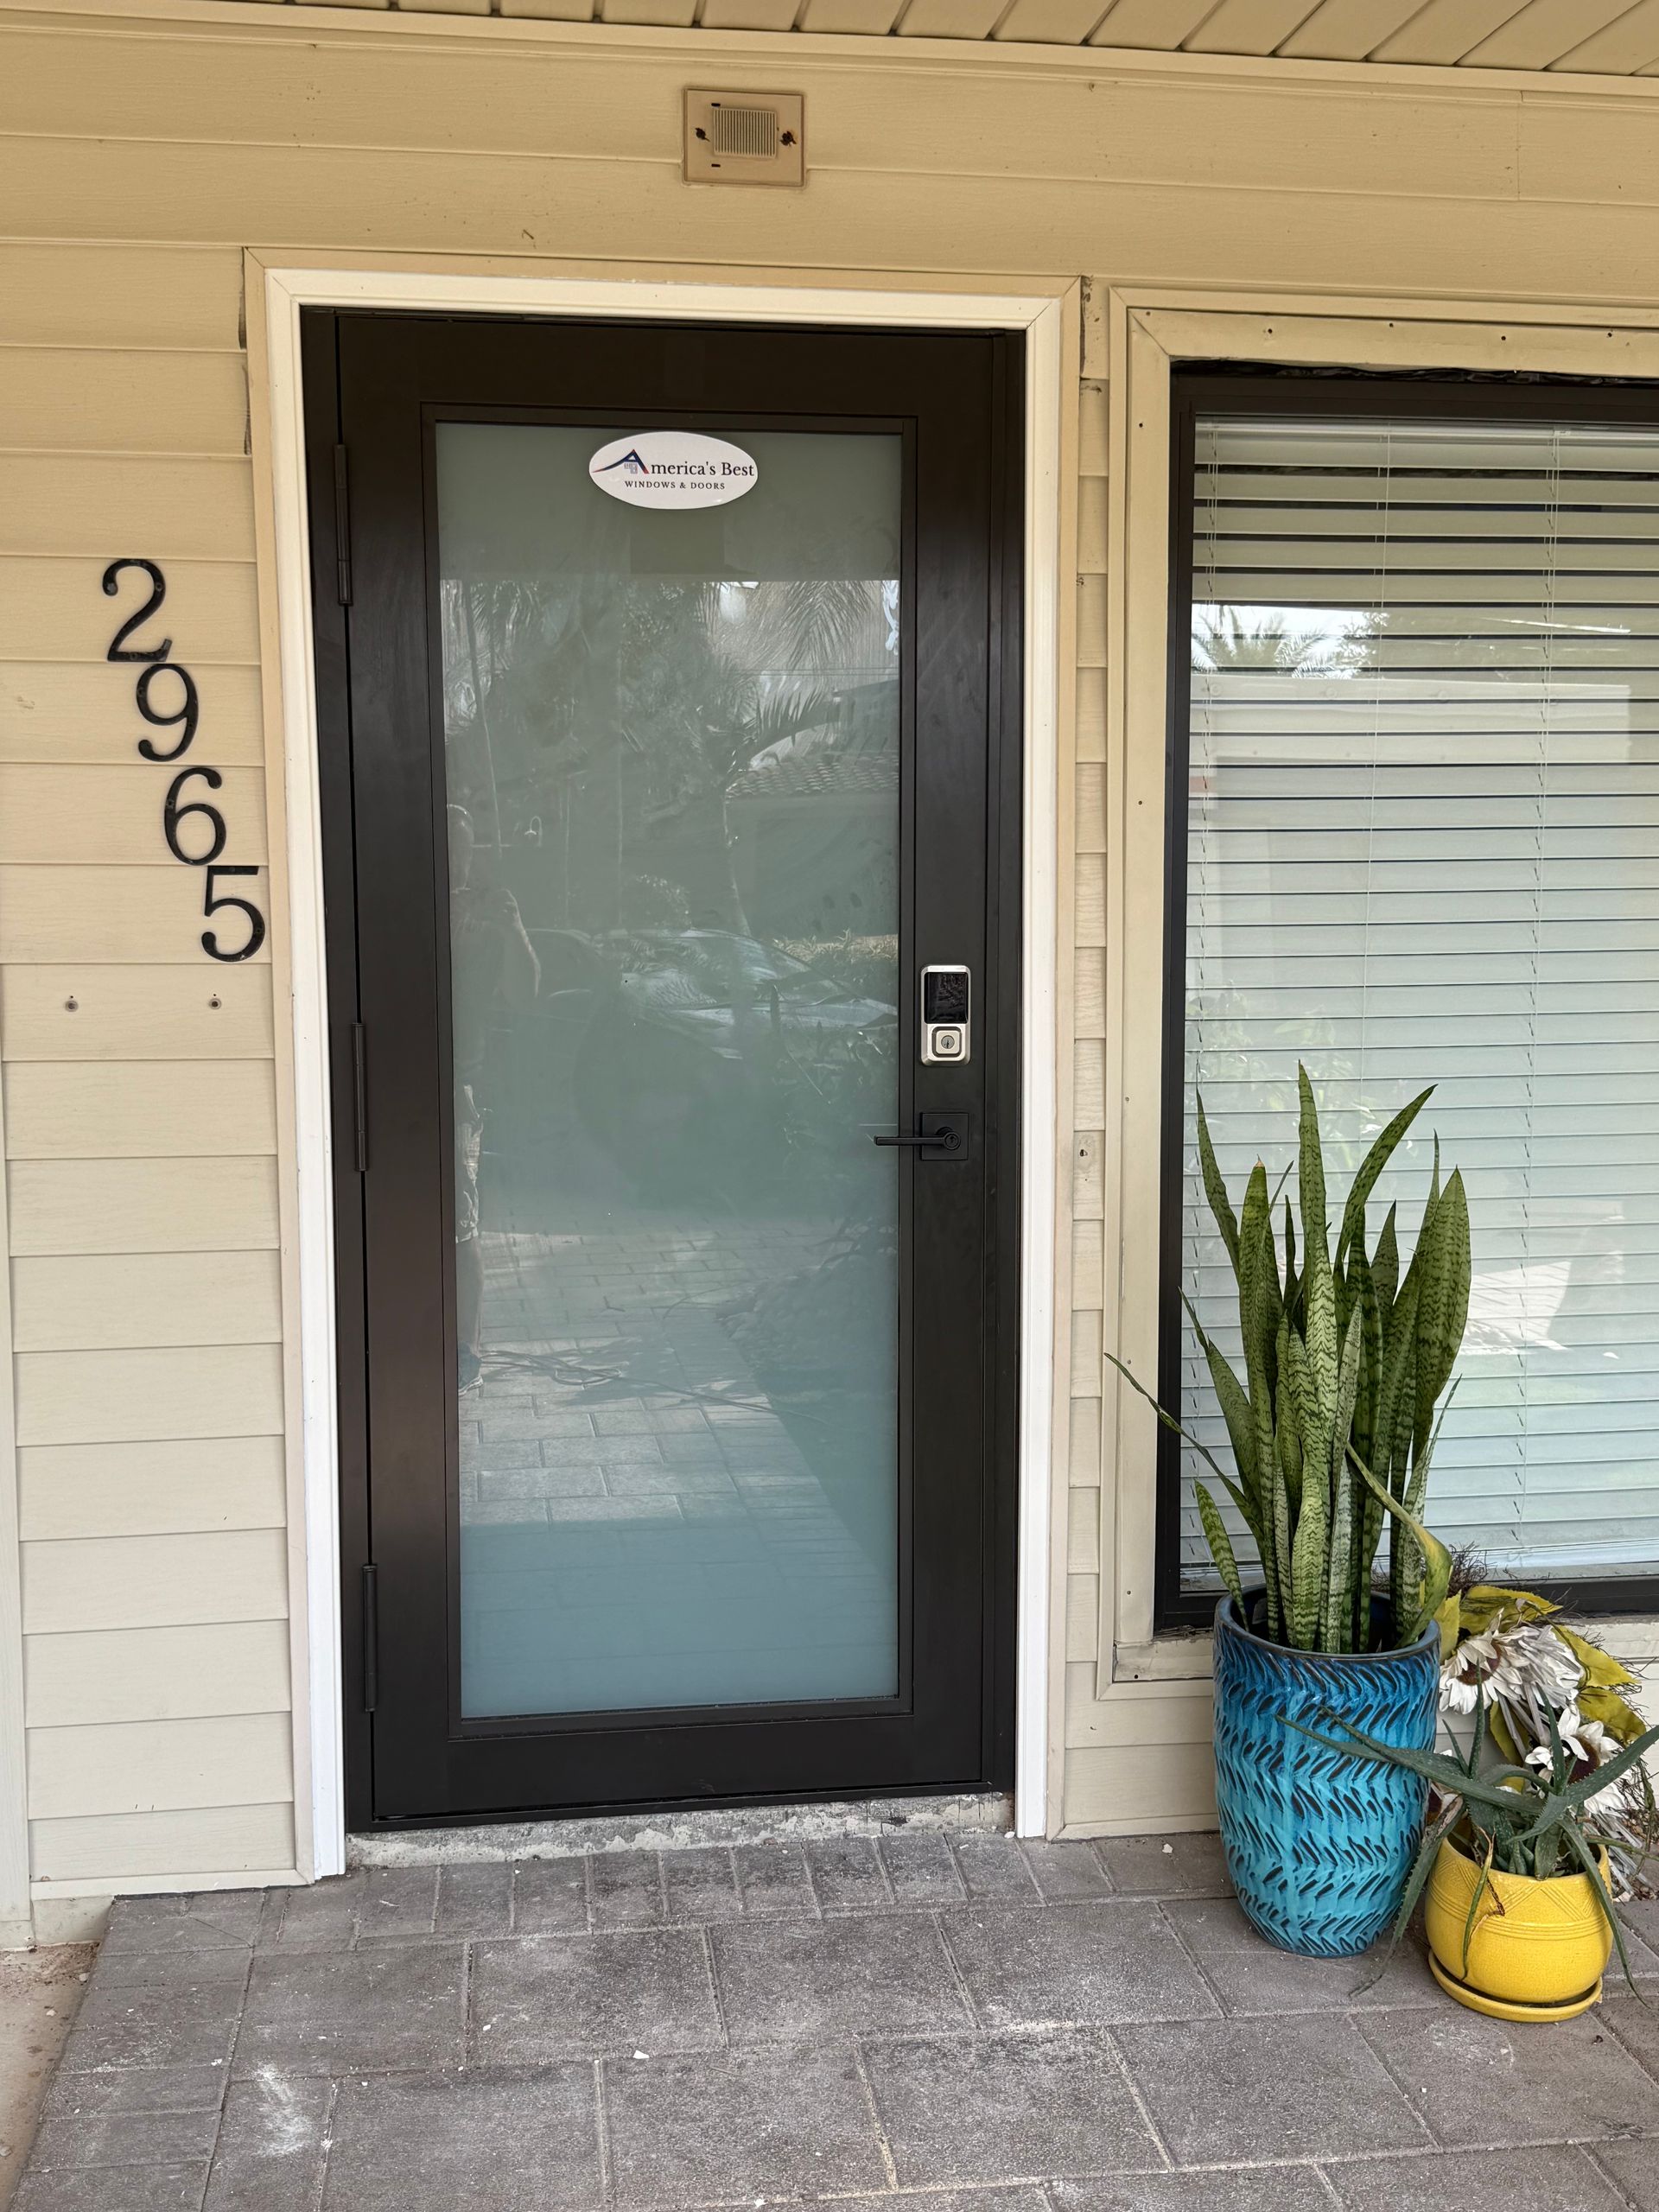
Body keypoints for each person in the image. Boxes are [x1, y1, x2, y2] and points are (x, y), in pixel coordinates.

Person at [448, 802, 540, 1388]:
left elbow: (526, 995)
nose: (459, 855)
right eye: (448, 843)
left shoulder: (488, 911)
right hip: (393, 1078)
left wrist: (512, 931)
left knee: (460, 1223)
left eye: (466, 844)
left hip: (459, 1082)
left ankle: (466, 1350)